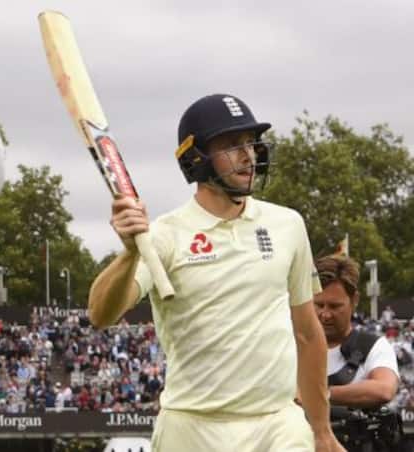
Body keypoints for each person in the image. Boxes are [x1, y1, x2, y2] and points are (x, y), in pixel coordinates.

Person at [88, 94, 344, 452]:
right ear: (196, 159)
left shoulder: (287, 225)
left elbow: (307, 334)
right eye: (231, 146)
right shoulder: (164, 235)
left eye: (250, 144)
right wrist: (130, 253)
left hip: (276, 424)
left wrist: (320, 429)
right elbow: (101, 313)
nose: (248, 156)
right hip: (192, 427)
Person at [314, 255, 401, 451]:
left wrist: (317, 396)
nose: (325, 314)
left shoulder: (373, 345)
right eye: (319, 305)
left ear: (354, 300)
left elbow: (384, 389)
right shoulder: (291, 345)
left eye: (335, 306)